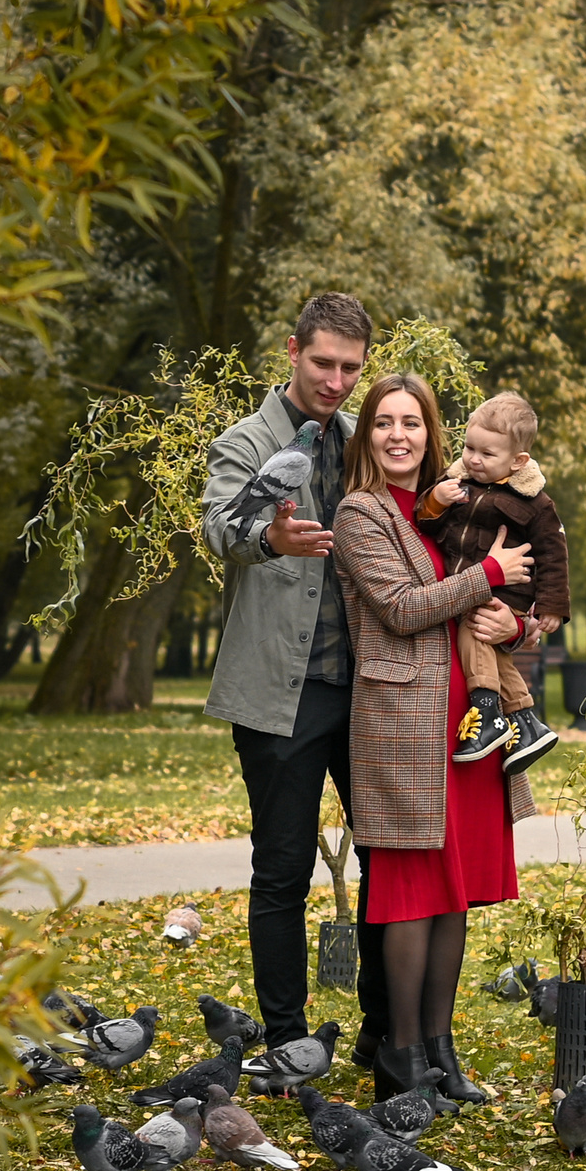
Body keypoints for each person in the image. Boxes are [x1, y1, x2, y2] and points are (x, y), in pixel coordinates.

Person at [330, 372, 538, 1102]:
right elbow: (399, 606)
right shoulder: (360, 513)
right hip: (402, 722)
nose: (398, 435)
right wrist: (488, 573)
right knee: (410, 893)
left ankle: (442, 1055)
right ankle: (402, 1057)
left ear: (431, 433)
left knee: (455, 892)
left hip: (474, 724)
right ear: (368, 435)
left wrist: (519, 621)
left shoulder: (461, 505)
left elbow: (525, 594)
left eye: (411, 422)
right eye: (384, 422)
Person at [200, 294, 388, 1065]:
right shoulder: (245, 443)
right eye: (323, 363)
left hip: (372, 687)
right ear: (291, 352)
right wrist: (269, 536)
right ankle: (285, 1041)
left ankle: (386, 1030)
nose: (338, 381)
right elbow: (222, 530)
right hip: (283, 693)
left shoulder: (363, 445)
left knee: (391, 857)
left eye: (351, 367)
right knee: (282, 867)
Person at [411, 391, 569, 775]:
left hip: (507, 592)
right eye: (469, 447)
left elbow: (554, 552)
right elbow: (426, 526)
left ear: (518, 461)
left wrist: (551, 606)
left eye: (487, 454)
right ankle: (527, 722)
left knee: (476, 631)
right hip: (469, 583)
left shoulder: (535, 502)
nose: (473, 459)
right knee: (494, 651)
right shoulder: (455, 483)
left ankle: (486, 708)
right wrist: (436, 501)